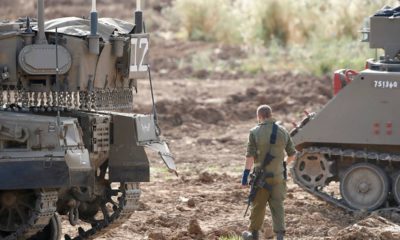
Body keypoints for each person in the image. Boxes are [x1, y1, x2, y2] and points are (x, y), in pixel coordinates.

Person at [241, 105, 296, 240]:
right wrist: (283, 164)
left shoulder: (254, 132)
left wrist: (245, 177)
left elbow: (250, 157)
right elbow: (292, 154)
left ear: (259, 116)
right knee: (278, 205)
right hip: (278, 177)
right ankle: (280, 236)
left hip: (261, 179)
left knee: (258, 206)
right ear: (271, 115)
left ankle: (254, 235)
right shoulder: (283, 131)